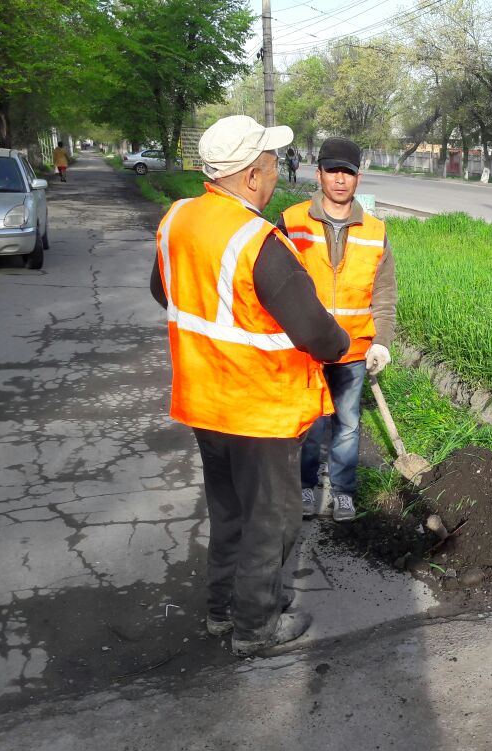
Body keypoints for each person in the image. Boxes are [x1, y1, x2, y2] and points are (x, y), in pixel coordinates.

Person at [149, 115, 349, 657]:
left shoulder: (178, 219)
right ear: (252, 174)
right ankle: (256, 628)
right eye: (272, 162)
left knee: (230, 513)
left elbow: (161, 290)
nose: (276, 170)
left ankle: (222, 612)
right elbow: (316, 333)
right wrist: (344, 344)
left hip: (205, 401)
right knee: (273, 522)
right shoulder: (260, 241)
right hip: (259, 409)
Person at [278, 137, 397, 523]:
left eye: (348, 172)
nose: (340, 180)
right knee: (311, 425)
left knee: (348, 425)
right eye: (333, 171)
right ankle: (307, 487)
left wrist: (381, 342)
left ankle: (343, 492)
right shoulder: (292, 222)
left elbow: (384, 293)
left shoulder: (376, 231)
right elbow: (273, 284)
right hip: (307, 349)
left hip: (351, 349)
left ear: (358, 178)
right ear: (319, 174)